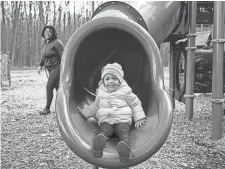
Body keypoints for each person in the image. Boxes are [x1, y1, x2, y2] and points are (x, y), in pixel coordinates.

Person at [77, 62, 146, 163]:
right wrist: (84, 113)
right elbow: (94, 107)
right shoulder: (100, 93)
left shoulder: (125, 91)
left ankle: (124, 150)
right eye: (107, 78)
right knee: (104, 131)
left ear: (120, 80)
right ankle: (98, 147)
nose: (111, 81)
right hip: (106, 121)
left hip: (122, 121)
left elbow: (135, 104)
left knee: (124, 133)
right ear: (103, 81)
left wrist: (139, 118)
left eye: (114, 78)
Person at [37, 25, 64, 115]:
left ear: (53, 33)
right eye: (45, 31)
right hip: (49, 69)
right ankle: (62, 108)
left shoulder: (57, 43)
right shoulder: (45, 43)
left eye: (49, 31)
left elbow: (64, 56)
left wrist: (64, 69)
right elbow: (44, 55)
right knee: (58, 89)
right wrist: (40, 65)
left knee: (49, 86)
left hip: (57, 68)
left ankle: (47, 108)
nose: (47, 33)